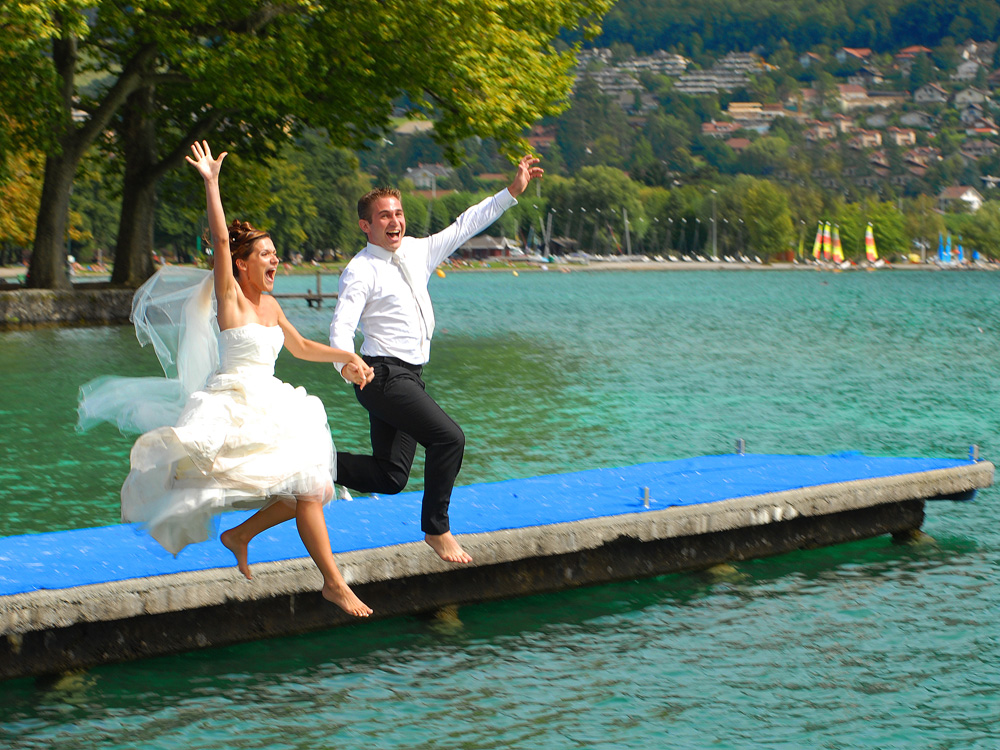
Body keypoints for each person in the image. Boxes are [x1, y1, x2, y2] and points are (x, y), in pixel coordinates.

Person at [79, 141, 375, 617]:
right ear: (242, 263)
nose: (276, 261)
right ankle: (335, 583)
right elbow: (219, 242)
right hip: (234, 400)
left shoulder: (273, 306)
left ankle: (241, 536)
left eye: (277, 254)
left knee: (312, 489)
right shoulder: (230, 299)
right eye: (266, 254)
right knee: (306, 491)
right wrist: (212, 184)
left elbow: (300, 348)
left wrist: (347, 355)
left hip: (274, 403)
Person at [330, 155, 544, 565]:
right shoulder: (360, 270)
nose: (394, 221)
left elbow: (466, 224)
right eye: (384, 216)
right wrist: (346, 365)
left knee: (390, 477)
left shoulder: (417, 251)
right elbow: (341, 328)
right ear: (366, 226)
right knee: (449, 438)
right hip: (381, 377)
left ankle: (314, 464)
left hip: (409, 376)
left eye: (398, 213)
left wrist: (511, 192)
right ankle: (437, 528)